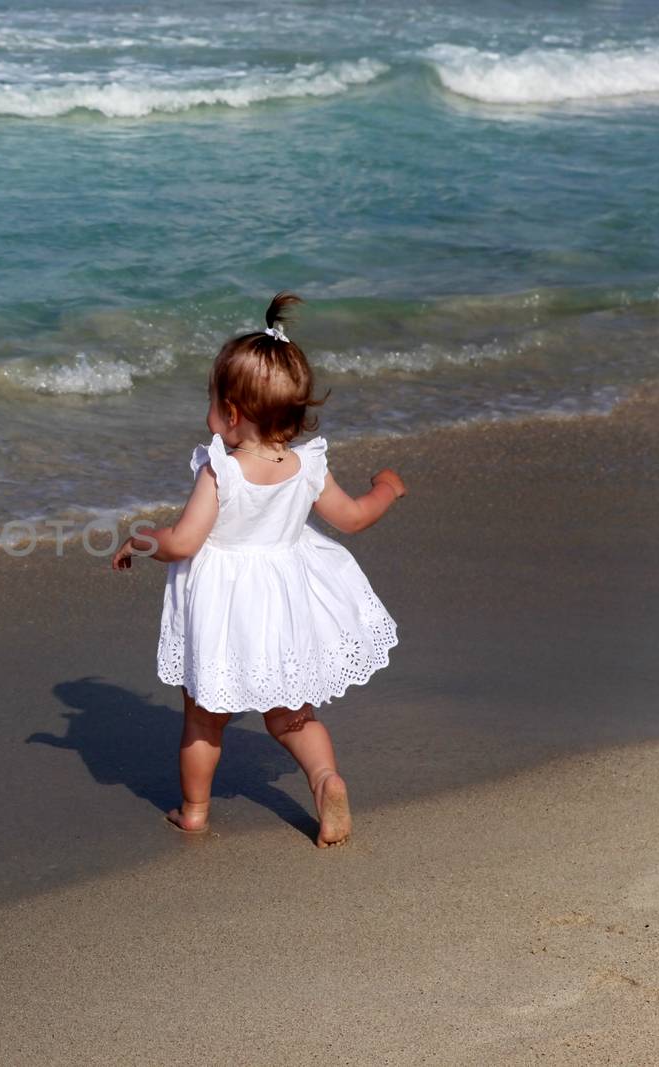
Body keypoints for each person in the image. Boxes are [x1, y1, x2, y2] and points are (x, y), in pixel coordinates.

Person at [111, 292, 405, 847]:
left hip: (225, 607)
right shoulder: (305, 465)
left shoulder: (220, 471)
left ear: (231, 412)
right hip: (285, 601)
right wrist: (385, 488)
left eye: (212, 399)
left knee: (203, 718)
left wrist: (141, 540)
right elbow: (354, 518)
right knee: (291, 715)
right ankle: (324, 779)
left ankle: (195, 810)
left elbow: (184, 541)